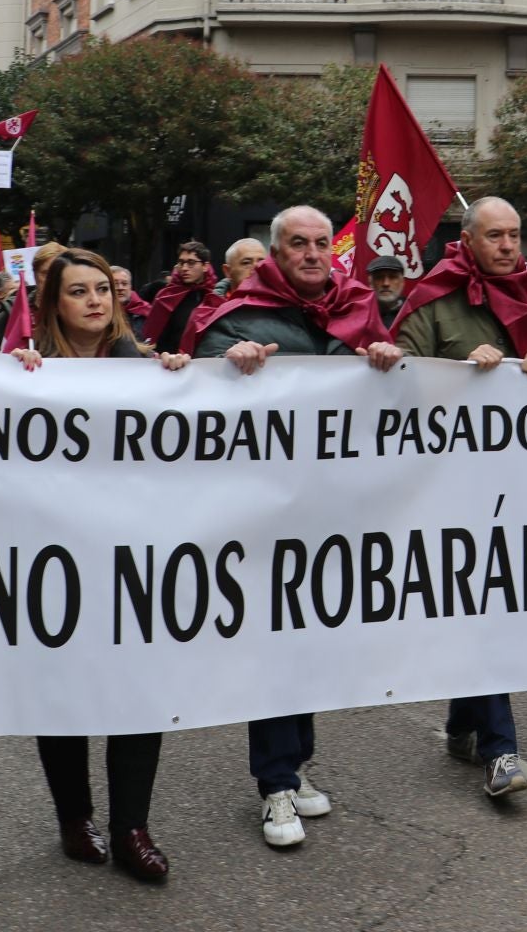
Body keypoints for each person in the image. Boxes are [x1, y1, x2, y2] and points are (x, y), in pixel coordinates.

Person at [188, 206, 401, 848]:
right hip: (262, 512)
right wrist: (230, 360)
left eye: (319, 245)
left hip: (333, 510)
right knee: (273, 645)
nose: (312, 255)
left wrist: (388, 355)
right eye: (297, 245)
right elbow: (198, 373)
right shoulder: (238, 315)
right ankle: (275, 783)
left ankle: (297, 763)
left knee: (309, 641)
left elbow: (388, 381)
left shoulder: (359, 307)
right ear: (274, 254)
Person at [8, 249, 189, 881]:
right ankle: (74, 817)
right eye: (78, 291)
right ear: (53, 304)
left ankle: (131, 827)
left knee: (137, 694)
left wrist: (181, 379)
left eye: (104, 290)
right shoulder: (27, 373)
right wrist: (3, 378)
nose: (94, 301)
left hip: (134, 557)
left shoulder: (143, 368)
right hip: (57, 560)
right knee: (64, 695)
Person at [394, 197, 527, 797]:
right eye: (496, 236)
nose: (509, 246)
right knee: (481, 609)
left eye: (515, 235)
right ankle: (501, 751)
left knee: (489, 610)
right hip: (449, 487)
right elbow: (399, 378)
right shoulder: (432, 298)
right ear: (467, 240)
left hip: (516, 484)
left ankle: (466, 723)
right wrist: (458, 368)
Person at [144, 241, 219, 355]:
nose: (184, 268)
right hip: (167, 364)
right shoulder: (166, 295)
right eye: (181, 262)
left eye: (191, 262)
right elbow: (151, 336)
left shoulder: (214, 298)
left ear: (205, 266)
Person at [109, 264, 153, 341]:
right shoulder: (100, 313)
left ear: (130, 287)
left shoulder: (146, 311)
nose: (120, 288)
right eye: (115, 284)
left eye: (124, 284)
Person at [366, 253, 409, 328]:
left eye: (392, 277)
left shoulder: (415, 314)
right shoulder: (359, 314)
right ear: (370, 283)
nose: (386, 283)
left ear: (402, 282)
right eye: (379, 277)